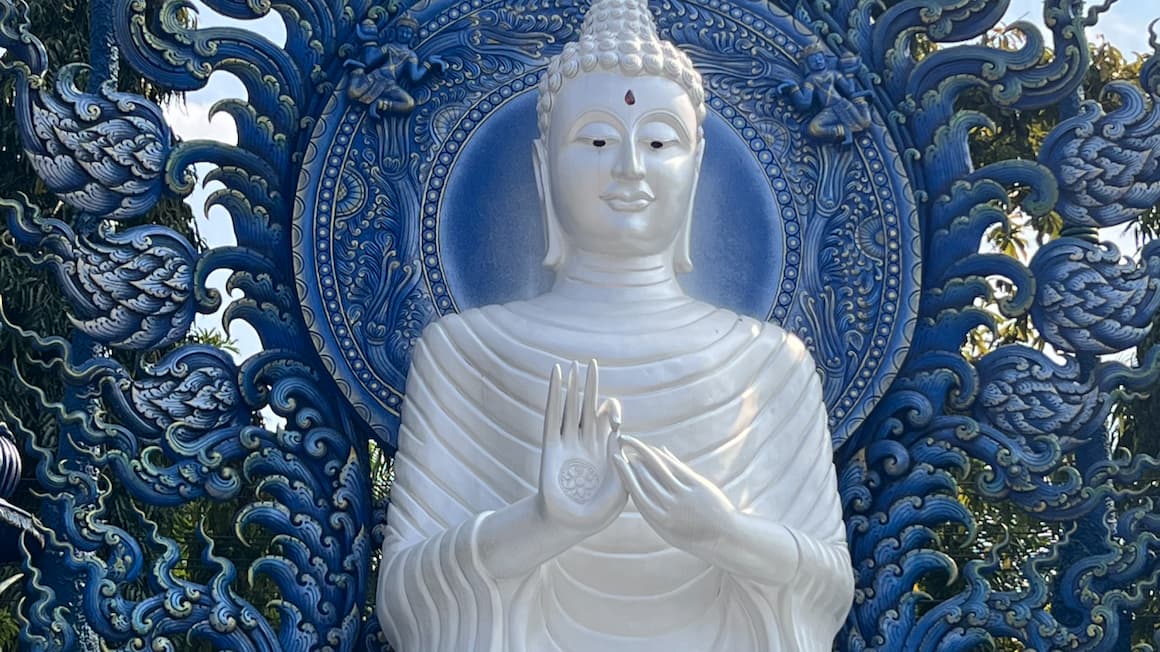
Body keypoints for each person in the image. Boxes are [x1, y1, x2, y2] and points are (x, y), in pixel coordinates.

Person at [376, 1, 854, 649]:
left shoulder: (770, 363)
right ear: (545, 167)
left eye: (659, 141)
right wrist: (542, 523)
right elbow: (405, 594)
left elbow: (827, 589)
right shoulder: (466, 352)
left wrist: (724, 534)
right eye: (598, 139)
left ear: (695, 166)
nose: (629, 165)